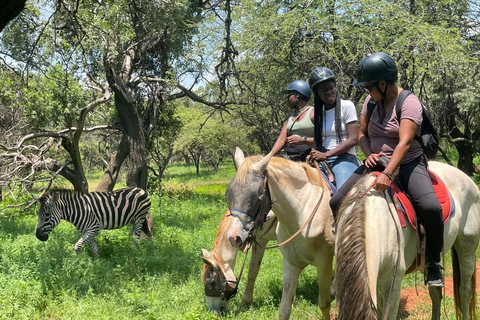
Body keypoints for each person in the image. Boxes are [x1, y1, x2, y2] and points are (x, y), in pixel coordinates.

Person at [329, 52, 444, 286]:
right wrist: (369, 153)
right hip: (376, 162)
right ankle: (348, 255)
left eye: (368, 87)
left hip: (407, 164)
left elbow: (404, 142)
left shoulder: (409, 102)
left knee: (431, 207)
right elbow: (361, 134)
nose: (366, 92)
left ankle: (434, 263)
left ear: (382, 84)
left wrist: (388, 173)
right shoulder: (371, 102)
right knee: (336, 201)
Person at [307, 67, 359, 188]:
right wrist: (312, 154)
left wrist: (327, 155)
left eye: (330, 87)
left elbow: (353, 139)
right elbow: (317, 140)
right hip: (323, 158)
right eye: (323, 90)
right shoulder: (320, 113)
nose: (328, 92)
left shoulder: (347, 106)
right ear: (317, 95)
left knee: (342, 194)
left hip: (344, 158)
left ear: (336, 87)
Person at [271, 80, 314, 162]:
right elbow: (281, 140)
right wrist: (268, 158)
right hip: (290, 158)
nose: (288, 99)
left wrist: (302, 140)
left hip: (309, 157)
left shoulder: (313, 113)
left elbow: (323, 139)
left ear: (297, 95)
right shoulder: (289, 117)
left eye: (289, 95)